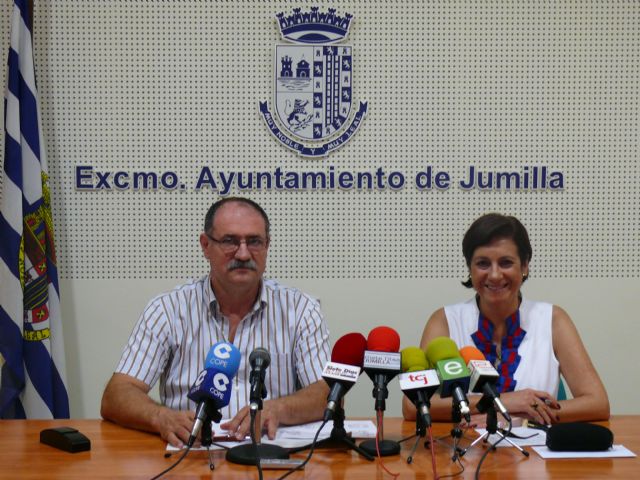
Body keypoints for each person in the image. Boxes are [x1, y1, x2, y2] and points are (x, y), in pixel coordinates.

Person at [101, 197, 331, 447]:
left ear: (267, 245)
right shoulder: (167, 309)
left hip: (270, 454)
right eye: (230, 241)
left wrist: (278, 409)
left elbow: (328, 394)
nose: (243, 254)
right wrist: (161, 417)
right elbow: (117, 394)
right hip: (190, 454)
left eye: (254, 241)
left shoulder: (300, 310)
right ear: (205, 245)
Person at [403, 213, 609, 425]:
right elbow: (412, 406)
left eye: (506, 263)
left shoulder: (553, 320)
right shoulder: (444, 321)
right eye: (483, 263)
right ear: (470, 268)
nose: (494, 275)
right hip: (462, 452)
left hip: (536, 453)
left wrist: (515, 415)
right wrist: (500, 403)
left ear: (525, 265)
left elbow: (597, 403)